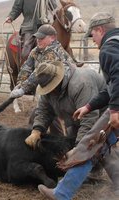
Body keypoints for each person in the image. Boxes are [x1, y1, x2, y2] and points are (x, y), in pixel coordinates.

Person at [37, 12, 119, 199]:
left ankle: (63, 192)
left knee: (89, 144)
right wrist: (89, 106)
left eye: (93, 36)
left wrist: (114, 110)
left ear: (100, 30)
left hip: (117, 106)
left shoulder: (109, 48)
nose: (93, 41)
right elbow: (111, 87)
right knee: (99, 144)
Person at [9, 24, 75, 98]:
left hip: (65, 90)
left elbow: (39, 72)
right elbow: (26, 67)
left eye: (42, 38)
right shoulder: (36, 51)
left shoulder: (53, 52)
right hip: (52, 86)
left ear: (52, 38)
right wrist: (20, 84)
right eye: (37, 38)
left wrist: (23, 89)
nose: (38, 40)